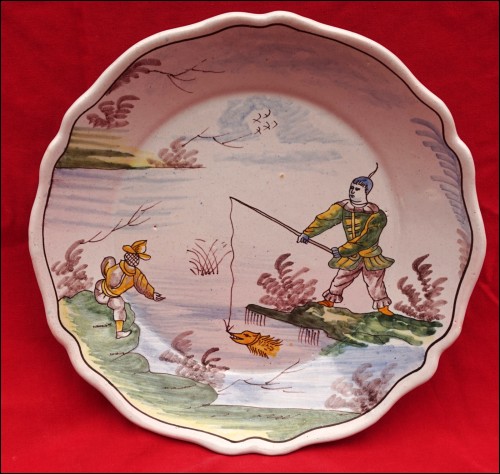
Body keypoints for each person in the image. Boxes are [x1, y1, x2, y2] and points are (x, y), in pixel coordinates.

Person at [297, 164, 395, 316]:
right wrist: (307, 234)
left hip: (370, 255)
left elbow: (366, 239)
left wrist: (342, 250)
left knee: (375, 282)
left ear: (366, 192)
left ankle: (383, 309)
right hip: (351, 255)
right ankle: (330, 301)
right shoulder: (342, 208)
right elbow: (324, 220)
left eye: (357, 189)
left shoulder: (377, 215)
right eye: (352, 188)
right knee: (341, 277)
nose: (352, 191)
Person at [94, 240, 165, 338]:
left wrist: (152, 294)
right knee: (110, 261)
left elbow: (143, 285)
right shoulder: (117, 269)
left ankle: (119, 332)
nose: (134, 259)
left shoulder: (135, 274)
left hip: (113, 296)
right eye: (134, 256)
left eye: (136, 257)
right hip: (101, 292)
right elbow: (111, 282)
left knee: (120, 305)